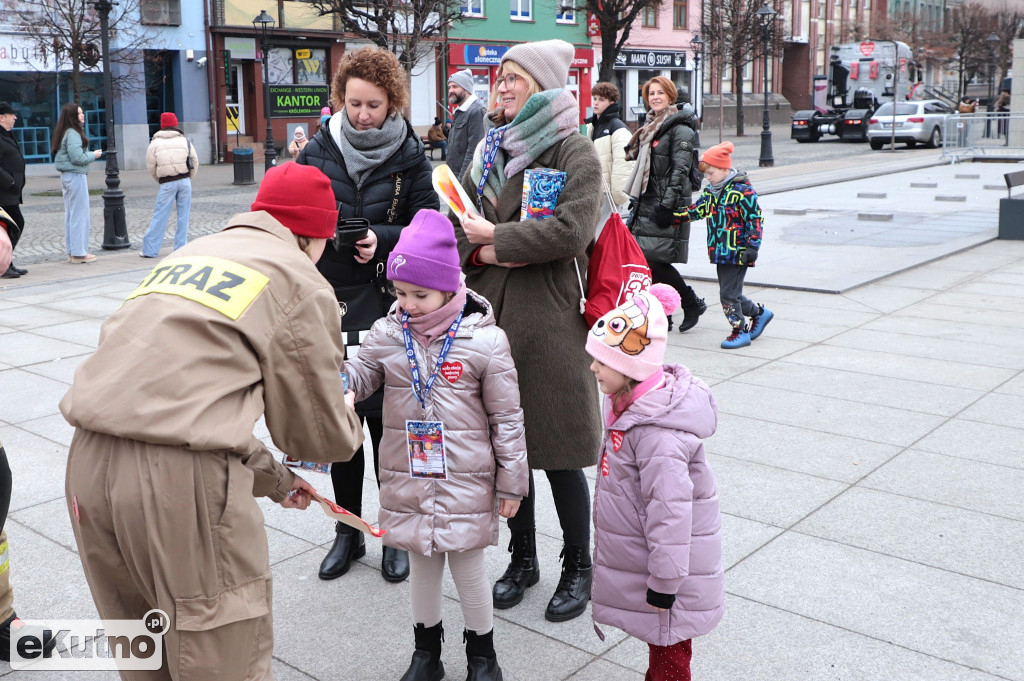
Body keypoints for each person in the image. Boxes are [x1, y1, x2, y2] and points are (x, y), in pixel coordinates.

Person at [60, 163, 365, 681]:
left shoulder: (190, 254)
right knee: (219, 660)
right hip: (179, 495)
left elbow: (184, 408)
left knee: (144, 653)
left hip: (88, 469)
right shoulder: (298, 278)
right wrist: (347, 411)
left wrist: (276, 480)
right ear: (314, 237)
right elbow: (315, 435)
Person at [453, 38, 602, 623]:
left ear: (543, 86)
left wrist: (498, 239)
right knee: (507, 452)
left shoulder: (574, 151)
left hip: (550, 322)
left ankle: (579, 565)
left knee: (559, 452)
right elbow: (458, 218)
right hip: (491, 315)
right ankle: (523, 559)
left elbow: (571, 232)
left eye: (515, 77)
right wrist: (485, 245)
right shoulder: (491, 149)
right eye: (500, 77)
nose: (504, 86)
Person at [346, 208, 528, 681]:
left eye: (419, 294)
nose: (407, 303)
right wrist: (342, 382)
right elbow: (362, 372)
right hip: (408, 473)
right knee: (421, 566)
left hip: (467, 478)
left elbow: (507, 418)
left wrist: (512, 483)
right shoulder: (388, 334)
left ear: (451, 288)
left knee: (468, 569)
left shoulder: (485, 342)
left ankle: (482, 656)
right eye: (400, 292)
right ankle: (426, 653)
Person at [297, 45, 437, 584]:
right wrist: (330, 236)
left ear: (392, 102)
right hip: (330, 300)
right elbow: (297, 214)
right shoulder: (318, 148)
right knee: (343, 419)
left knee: (388, 424)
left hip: (386, 302)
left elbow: (431, 223)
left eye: (373, 105)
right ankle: (347, 530)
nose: (362, 114)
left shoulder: (408, 151)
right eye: (354, 103)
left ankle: (394, 532)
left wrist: (384, 239)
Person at [585, 284, 724, 681]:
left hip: (671, 576)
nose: (593, 368)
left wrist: (665, 582)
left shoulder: (657, 435)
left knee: (669, 657)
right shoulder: (628, 406)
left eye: (601, 361)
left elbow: (671, 513)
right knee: (663, 652)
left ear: (631, 367)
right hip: (655, 563)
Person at [624, 76, 706, 334]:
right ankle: (664, 314)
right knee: (646, 260)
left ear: (671, 97)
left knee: (655, 260)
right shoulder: (653, 125)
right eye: (651, 93)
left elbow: (680, 170)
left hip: (664, 202)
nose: (655, 97)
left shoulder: (680, 128)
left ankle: (690, 301)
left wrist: (667, 206)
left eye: (660, 93)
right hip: (648, 201)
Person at [685, 141, 772, 349]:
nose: (708, 178)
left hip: (739, 251)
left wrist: (753, 246)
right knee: (731, 292)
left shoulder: (742, 191)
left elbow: (755, 219)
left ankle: (740, 331)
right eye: (706, 174)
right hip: (720, 251)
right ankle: (760, 313)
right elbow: (696, 210)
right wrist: (671, 217)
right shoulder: (712, 192)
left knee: (727, 295)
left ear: (725, 169)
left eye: (711, 173)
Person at [141, 112, 198, 259]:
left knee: (160, 215)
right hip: (185, 181)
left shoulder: (154, 144)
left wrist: (160, 179)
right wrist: (188, 178)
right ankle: (181, 248)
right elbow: (194, 161)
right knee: (183, 216)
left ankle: (150, 250)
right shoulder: (185, 141)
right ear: (176, 124)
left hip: (167, 182)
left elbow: (151, 167)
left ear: (162, 125)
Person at [52, 102, 101, 264]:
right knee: (79, 215)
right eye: (80, 113)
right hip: (75, 176)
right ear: (73, 116)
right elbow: (77, 157)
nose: (83, 115)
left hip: (68, 176)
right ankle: (79, 253)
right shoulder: (73, 133)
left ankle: (73, 251)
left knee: (72, 214)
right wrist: (94, 155)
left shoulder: (65, 132)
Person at [584, 82, 634, 211]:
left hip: (608, 195)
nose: (596, 103)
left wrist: (618, 196)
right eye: (595, 98)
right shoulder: (591, 126)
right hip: (593, 191)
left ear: (611, 103)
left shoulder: (618, 128)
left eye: (601, 100)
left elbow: (623, 163)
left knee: (604, 230)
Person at [0, 102, 26, 279]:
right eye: (11, 115)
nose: (15, 117)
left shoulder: (7, 135)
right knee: (16, 223)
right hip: (4, 192)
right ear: (1, 117)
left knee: (12, 226)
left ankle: (7, 262)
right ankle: (5, 262)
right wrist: (10, 182)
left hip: (11, 192)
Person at [446, 68, 486, 180]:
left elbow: (473, 151)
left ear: (467, 90)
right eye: (449, 87)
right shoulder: (460, 111)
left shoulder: (476, 111)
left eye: (455, 87)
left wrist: (462, 181)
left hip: (465, 181)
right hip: (454, 177)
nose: (450, 91)